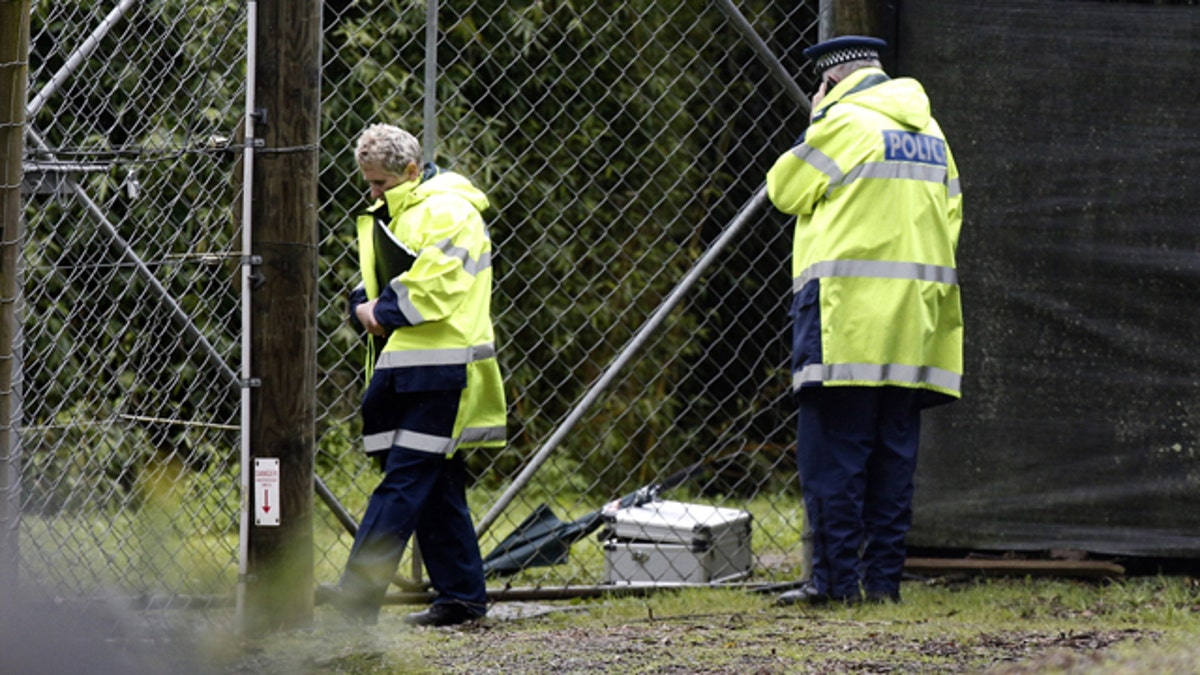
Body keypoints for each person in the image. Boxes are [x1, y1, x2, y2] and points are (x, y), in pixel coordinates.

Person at [766, 36, 963, 606]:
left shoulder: (843, 124)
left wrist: (816, 118)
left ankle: (833, 586)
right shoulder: (933, 134)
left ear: (830, 81)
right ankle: (883, 585)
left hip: (844, 319)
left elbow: (784, 189)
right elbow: (951, 220)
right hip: (915, 325)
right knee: (892, 457)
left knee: (833, 456)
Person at [318, 123, 507, 626]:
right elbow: (372, 280)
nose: (373, 192)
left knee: (402, 485)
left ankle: (355, 600)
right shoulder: (404, 213)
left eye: (381, 182)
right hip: (412, 368)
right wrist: (366, 304)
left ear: (411, 169)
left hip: (442, 371)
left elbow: (429, 290)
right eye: (369, 183)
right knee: (435, 483)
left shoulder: (449, 212)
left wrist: (374, 311)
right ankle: (463, 598)